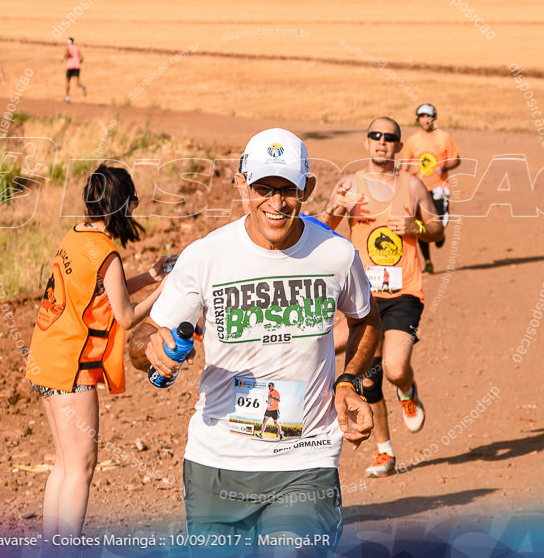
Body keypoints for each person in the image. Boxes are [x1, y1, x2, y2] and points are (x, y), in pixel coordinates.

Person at [137, 128, 380, 550]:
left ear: (308, 188)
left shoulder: (336, 254)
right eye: (263, 187)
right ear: (241, 184)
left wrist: (349, 381)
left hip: (306, 457)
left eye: (288, 188)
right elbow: (143, 335)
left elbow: (366, 319)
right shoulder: (205, 256)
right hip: (217, 462)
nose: (276, 201)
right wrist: (150, 349)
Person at [25, 164, 175, 539]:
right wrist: (164, 291)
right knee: (82, 467)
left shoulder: (77, 237)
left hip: (46, 358)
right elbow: (125, 316)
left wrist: (152, 276)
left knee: (64, 464)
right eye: (134, 202)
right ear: (123, 206)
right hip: (72, 369)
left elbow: (105, 289)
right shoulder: (107, 254)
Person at [323, 117, 443, 478]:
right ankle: (384, 452)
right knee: (369, 378)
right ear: (366, 143)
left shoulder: (413, 185)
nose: (381, 142)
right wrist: (336, 208)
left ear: (397, 146)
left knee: (393, 368)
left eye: (389, 137)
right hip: (360, 297)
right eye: (375, 136)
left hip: (403, 293)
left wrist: (416, 227)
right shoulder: (349, 185)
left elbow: (438, 228)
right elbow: (323, 230)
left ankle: (407, 389)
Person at [400, 103, 461, 273]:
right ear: (417, 119)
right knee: (421, 226)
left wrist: (445, 167)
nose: (426, 120)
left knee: (439, 222)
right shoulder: (413, 141)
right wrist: (398, 180)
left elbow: (456, 159)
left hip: (440, 188)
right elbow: (405, 164)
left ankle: (439, 234)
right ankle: (427, 261)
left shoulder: (444, 137)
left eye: (429, 116)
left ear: (434, 118)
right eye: (422, 117)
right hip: (420, 189)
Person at [63, 37, 87, 103]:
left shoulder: (68, 47)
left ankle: (67, 97)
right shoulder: (77, 48)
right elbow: (82, 58)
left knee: (67, 82)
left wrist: (62, 58)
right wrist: (78, 62)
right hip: (77, 66)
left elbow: (66, 54)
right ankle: (82, 87)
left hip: (70, 66)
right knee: (77, 82)